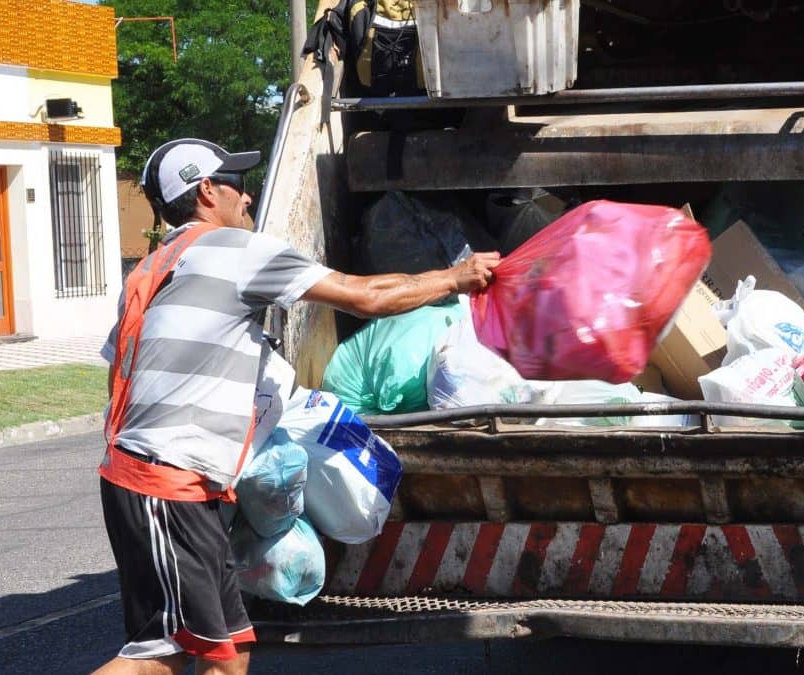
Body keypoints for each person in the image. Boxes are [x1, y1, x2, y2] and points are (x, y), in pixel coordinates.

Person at [92, 138, 499, 675]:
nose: (249, 196)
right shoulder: (237, 249)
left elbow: (118, 371)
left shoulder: (150, 269)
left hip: (152, 477)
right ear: (207, 191)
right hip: (164, 480)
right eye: (236, 183)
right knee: (158, 658)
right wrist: (453, 278)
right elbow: (365, 296)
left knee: (229, 652)